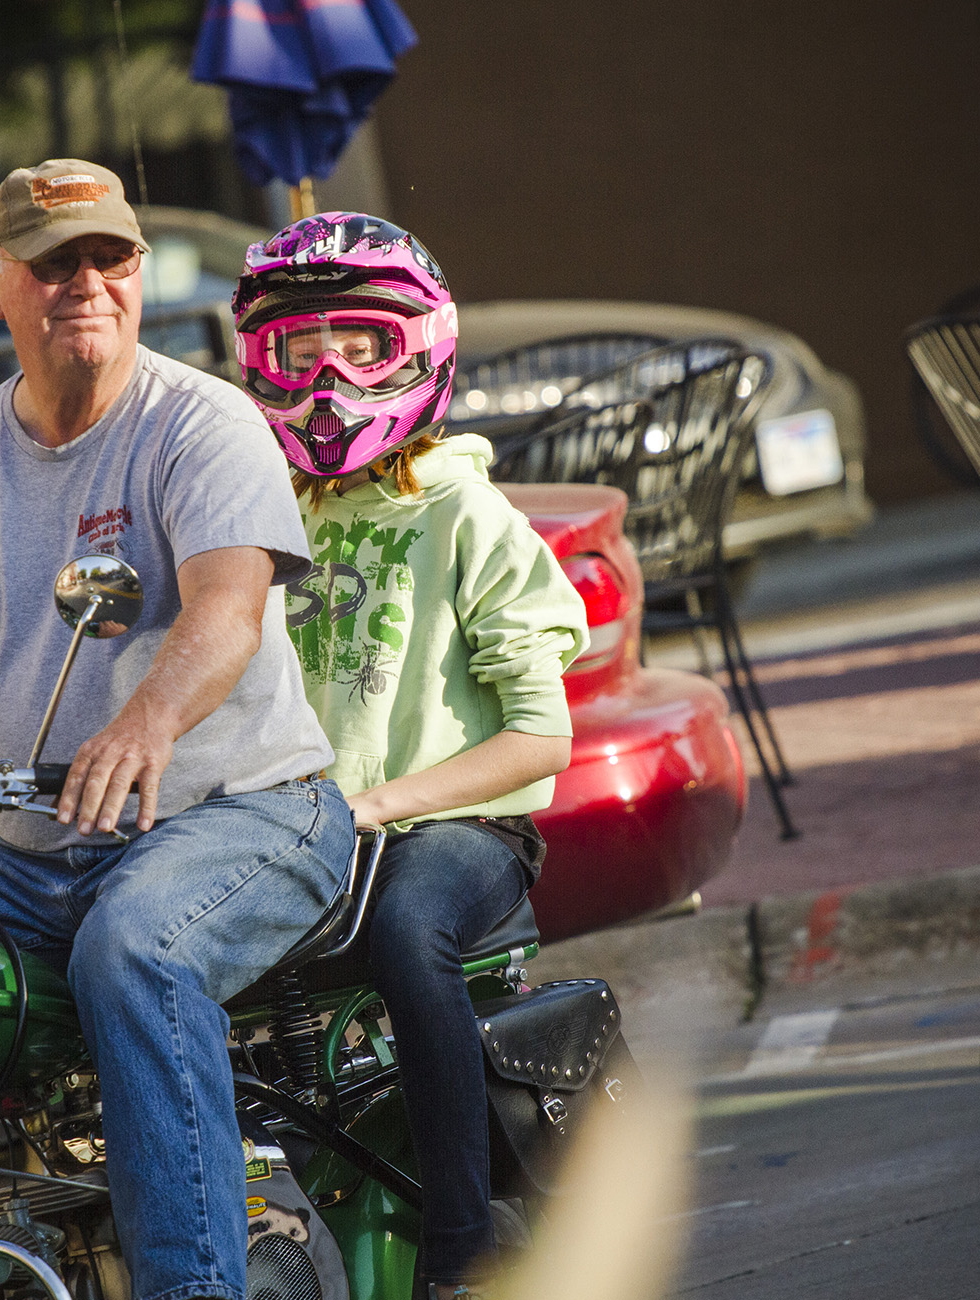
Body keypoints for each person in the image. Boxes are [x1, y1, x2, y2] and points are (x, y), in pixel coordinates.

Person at [0, 161, 353, 1300]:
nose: (87, 282)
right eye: (54, 262)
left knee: (136, 951)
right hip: (37, 853)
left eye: (109, 256)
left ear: (140, 273)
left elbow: (227, 608)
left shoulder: (198, 422)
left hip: (244, 812)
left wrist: (145, 723)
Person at [233, 213, 589, 1300]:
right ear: (260, 363)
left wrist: (382, 801)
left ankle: (460, 1251)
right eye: (301, 350)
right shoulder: (257, 518)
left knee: (404, 933)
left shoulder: (465, 512)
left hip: (462, 832)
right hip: (308, 832)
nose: (330, 376)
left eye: (363, 344)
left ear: (421, 347)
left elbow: (542, 736)